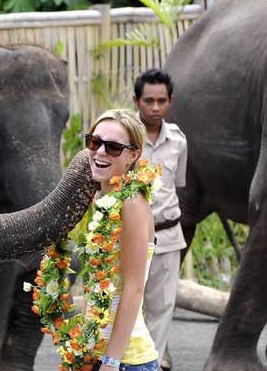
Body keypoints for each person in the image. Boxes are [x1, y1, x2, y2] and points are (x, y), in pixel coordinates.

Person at [85, 109, 159, 371]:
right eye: (95, 142)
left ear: (133, 155)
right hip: (94, 354)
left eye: (114, 147)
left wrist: (110, 361)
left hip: (126, 361)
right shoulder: (99, 200)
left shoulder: (131, 204)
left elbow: (134, 288)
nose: (101, 151)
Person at [133, 69, 187, 371]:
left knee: (162, 308)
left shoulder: (178, 141)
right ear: (136, 101)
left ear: (170, 102)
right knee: (127, 305)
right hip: (128, 237)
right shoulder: (122, 139)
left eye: (161, 101)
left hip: (167, 236)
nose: (155, 108)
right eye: (148, 101)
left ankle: (149, 366)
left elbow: (176, 184)